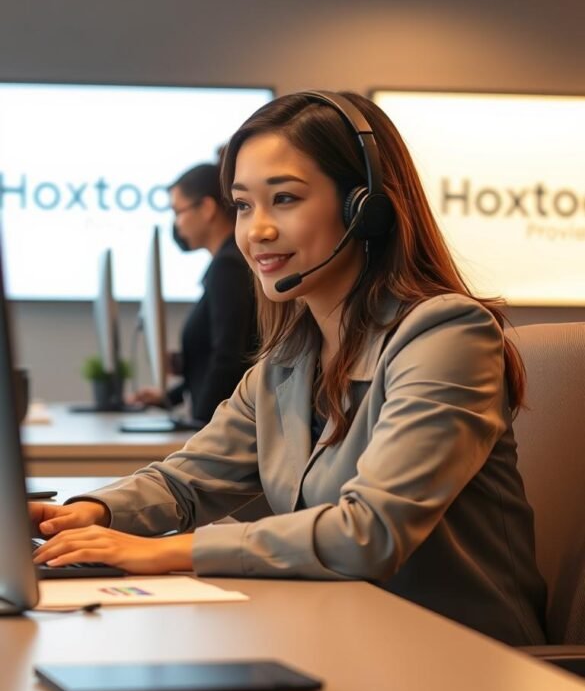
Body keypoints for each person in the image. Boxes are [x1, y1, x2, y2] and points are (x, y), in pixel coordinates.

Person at [31, 91, 547, 646]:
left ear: (365, 209)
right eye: (244, 206)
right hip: (340, 636)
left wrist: (163, 552)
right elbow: (187, 481)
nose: (257, 231)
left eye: (284, 199)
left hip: (463, 659)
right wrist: (87, 513)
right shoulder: (290, 358)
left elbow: (370, 533)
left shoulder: (446, 335)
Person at [132, 162, 257, 425]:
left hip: (223, 430)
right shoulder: (225, 265)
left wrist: (201, 427)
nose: (176, 224)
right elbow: (212, 360)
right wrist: (170, 397)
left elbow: (229, 358)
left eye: (178, 212)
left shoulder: (228, 266)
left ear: (207, 208)